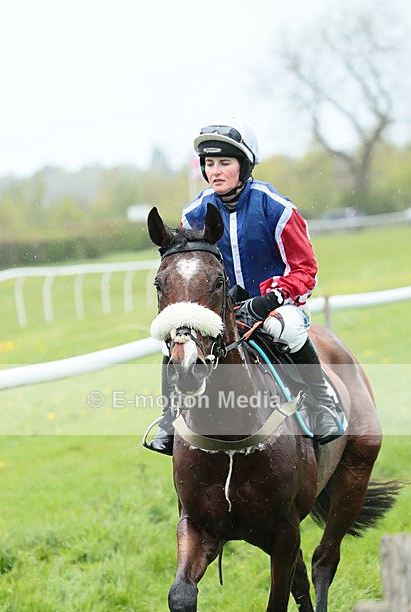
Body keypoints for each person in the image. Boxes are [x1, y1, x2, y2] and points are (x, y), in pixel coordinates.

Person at [144, 120, 344, 455]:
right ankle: (170, 417)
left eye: (225, 163)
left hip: (276, 303)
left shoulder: (276, 207)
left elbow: (305, 269)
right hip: (220, 308)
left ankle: (321, 404)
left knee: (287, 329)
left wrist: (268, 301)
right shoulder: (193, 214)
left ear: (245, 165)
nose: (215, 172)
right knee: (175, 343)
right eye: (209, 164)